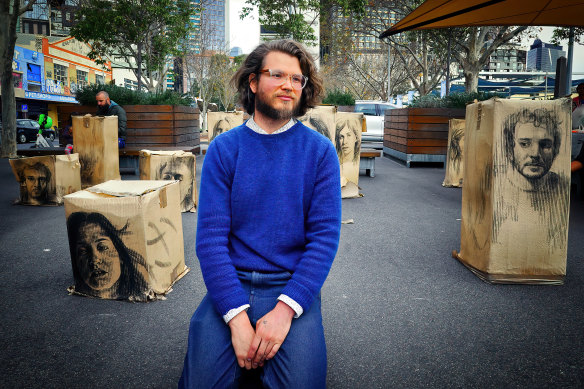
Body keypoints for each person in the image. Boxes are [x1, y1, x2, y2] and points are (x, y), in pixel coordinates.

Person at [179, 40, 341, 388]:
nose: (289, 84)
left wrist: (285, 312)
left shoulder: (320, 152)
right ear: (253, 82)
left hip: (289, 283)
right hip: (231, 280)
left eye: (297, 79)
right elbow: (210, 240)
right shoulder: (225, 149)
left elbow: (324, 239)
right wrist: (237, 319)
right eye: (277, 74)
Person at [67, 212, 149, 301]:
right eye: (83, 251)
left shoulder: (141, 289)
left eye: (102, 247)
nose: (94, 260)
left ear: (120, 253)